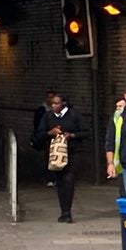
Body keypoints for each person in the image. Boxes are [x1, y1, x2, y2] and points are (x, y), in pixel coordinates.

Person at [31, 89, 84, 223]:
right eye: (52, 104)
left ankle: (67, 212)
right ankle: (64, 211)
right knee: (60, 181)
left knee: (69, 179)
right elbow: (39, 134)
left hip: (73, 152)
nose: (54, 106)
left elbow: (86, 131)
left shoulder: (74, 115)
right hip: (56, 153)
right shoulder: (48, 116)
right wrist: (50, 132)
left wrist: (72, 135)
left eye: (57, 103)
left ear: (64, 104)